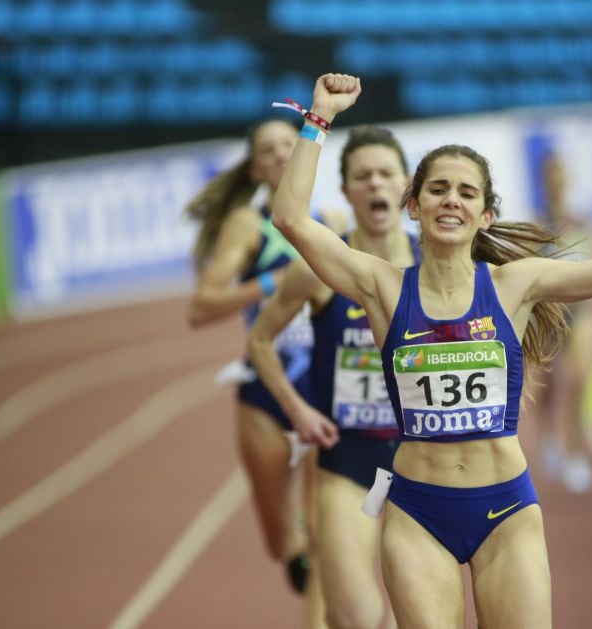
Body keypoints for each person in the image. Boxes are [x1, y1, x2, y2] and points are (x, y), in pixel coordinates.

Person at [269, 73, 592, 628]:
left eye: (467, 192)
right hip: (418, 512)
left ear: (485, 215)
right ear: (413, 206)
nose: (452, 200)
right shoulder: (382, 286)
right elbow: (290, 219)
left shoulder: (516, 285)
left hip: (506, 511)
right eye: (438, 189)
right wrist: (319, 116)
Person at [248, 125, 418, 628]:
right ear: (345, 191)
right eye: (362, 176)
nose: (375, 184)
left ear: (406, 186)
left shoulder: (435, 265)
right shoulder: (316, 270)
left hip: (422, 460)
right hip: (347, 461)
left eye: (386, 173)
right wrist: (297, 409)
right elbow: (259, 341)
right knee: (354, 616)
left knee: (424, 610)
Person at [184, 117, 328, 620]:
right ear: (256, 167)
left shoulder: (330, 220)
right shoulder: (248, 224)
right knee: (281, 541)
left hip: (324, 387)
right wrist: (275, 282)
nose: (280, 156)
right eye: (267, 151)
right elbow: (201, 307)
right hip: (266, 387)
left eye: (289, 145)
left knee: (322, 536)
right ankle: (298, 558)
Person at [533, 150, 592, 494]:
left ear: (567, 180)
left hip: (582, 312)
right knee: (546, 385)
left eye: (561, 175)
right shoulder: (536, 224)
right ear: (545, 182)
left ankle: (575, 453)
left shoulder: (582, 222)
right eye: (551, 176)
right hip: (548, 315)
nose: (557, 182)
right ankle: (550, 441)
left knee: (580, 381)